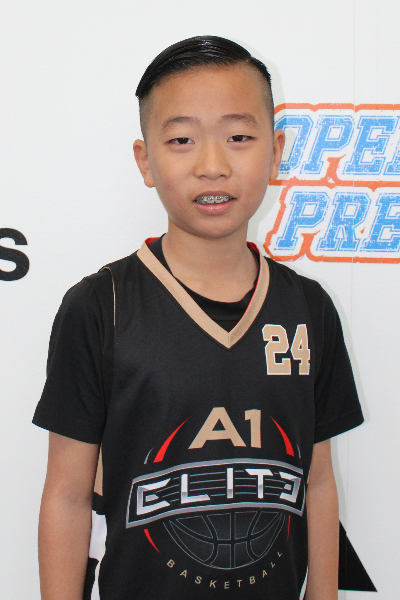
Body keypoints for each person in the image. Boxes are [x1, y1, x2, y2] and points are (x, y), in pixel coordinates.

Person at [33, 36, 364, 600]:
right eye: (182, 140)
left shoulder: (308, 308)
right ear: (145, 160)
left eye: (239, 138)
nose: (213, 166)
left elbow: (318, 479)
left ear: (276, 151)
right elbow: (67, 495)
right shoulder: (99, 306)